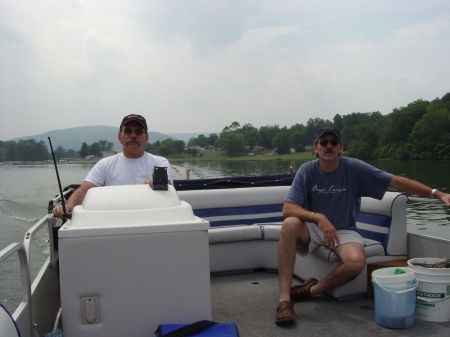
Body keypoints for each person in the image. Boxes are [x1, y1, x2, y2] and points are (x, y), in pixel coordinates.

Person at [275, 125, 450, 325]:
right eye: (324, 142)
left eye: (334, 142)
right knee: (289, 224)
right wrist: (319, 218)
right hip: (315, 228)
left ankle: (310, 290)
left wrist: (437, 193)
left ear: (341, 147)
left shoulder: (354, 168)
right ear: (316, 148)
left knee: (356, 262)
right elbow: (288, 208)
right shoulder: (307, 170)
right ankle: (284, 301)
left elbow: (397, 182)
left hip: (345, 229)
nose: (329, 146)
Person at [53, 114, 173, 218]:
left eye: (138, 132)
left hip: (151, 220)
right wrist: (68, 206)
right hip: (113, 222)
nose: (133, 135)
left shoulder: (160, 163)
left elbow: (169, 190)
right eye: (127, 131)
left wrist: (155, 185)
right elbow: (84, 190)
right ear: (119, 137)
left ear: (146, 138)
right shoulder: (105, 164)